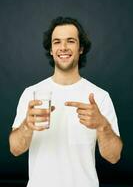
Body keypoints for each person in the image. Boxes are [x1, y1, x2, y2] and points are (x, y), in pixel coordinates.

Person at [9, 16, 123, 187]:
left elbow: (113, 157)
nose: (63, 47)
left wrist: (102, 125)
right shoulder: (30, 94)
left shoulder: (100, 96)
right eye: (57, 42)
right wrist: (26, 125)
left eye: (70, 41)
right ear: (51, 49)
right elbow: (15, 150)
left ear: (81, 48)